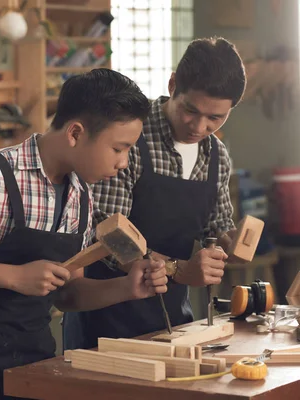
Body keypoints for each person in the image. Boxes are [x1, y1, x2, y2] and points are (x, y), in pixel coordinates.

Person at [0, 68, 167, 400]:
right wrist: (14, 276)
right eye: (119, 148)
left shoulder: (80, 195)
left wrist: (126, 288)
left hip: (30, 366)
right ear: (75, 133)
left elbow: (67, 294)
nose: (124, 162)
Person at [63, 37, 247, 350]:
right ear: (173, 84)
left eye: (215, 118)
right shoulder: (129, 138)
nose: (199, 127)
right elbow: (105, 235)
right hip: (105, 320)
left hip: (173, 321)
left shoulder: (217, 156)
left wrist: (227, 243)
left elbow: (216, 226)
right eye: (191, 110)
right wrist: (180, 269)